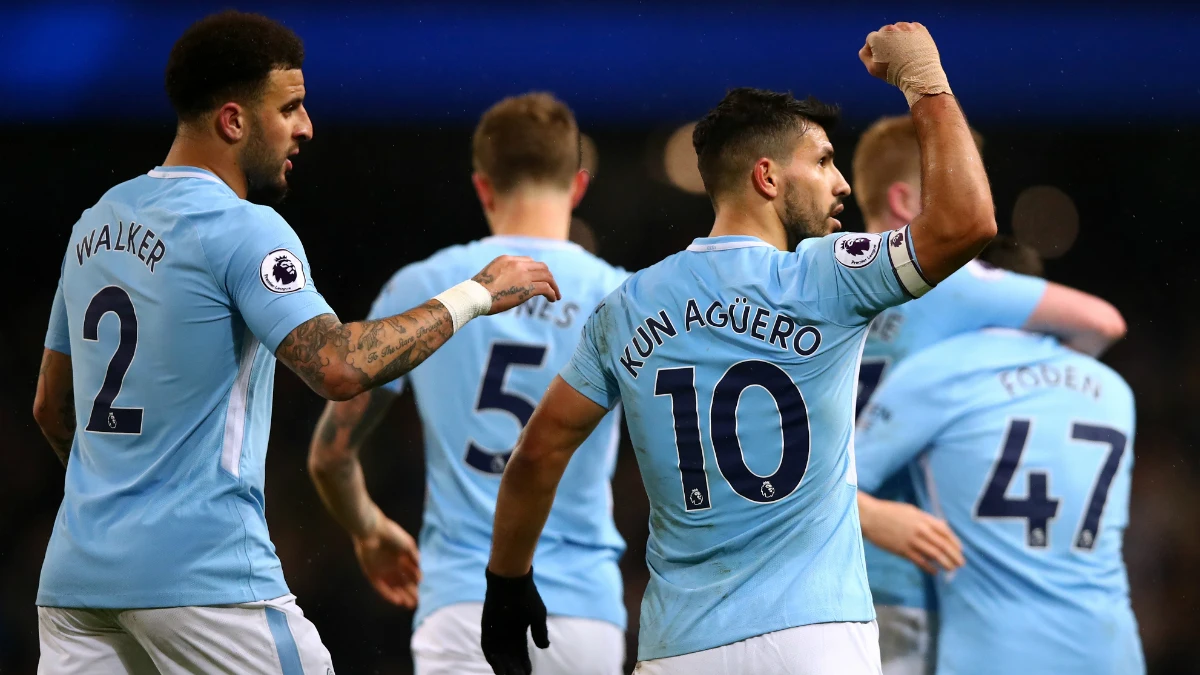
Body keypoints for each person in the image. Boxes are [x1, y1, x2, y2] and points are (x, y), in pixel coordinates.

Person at [31, 11, 557, 675]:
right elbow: (338, 365)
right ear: (233, 120)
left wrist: (116, 507)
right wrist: (477, 292)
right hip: (206, 579)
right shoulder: (244, 228)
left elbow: (52, 408)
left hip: (77, 582)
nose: (305, 128)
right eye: (291, 108)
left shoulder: (94, 226)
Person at [481, 22, 996, 675]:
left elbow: (536, 454)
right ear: (767, 176)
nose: (840, 184)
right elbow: (969, 222)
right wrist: (925, 82)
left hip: (682, 646)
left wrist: (506, 582)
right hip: (819, 636)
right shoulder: (827, 275)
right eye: (824, 161)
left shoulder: (629, 305)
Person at [307, 92, 630, 675]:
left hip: (462, 602)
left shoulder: (422, 288)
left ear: (483, 186)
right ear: (578, 185)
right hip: (584, 608)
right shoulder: (622, 297)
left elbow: (329, 457)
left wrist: (369, 529)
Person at [849, 114, 1127, 675]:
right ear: (906, 203)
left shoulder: (817, 277)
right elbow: (1103, 323)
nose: (975, 211)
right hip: (913, 576)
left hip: (823, 573)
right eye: (958, 190)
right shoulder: (949, 283)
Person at [854, 317, 1145, 673]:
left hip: (995, 651)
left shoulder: (940, 370)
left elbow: (824, 487)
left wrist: (869, 515)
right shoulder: (1112, 388)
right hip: (1112, 650)